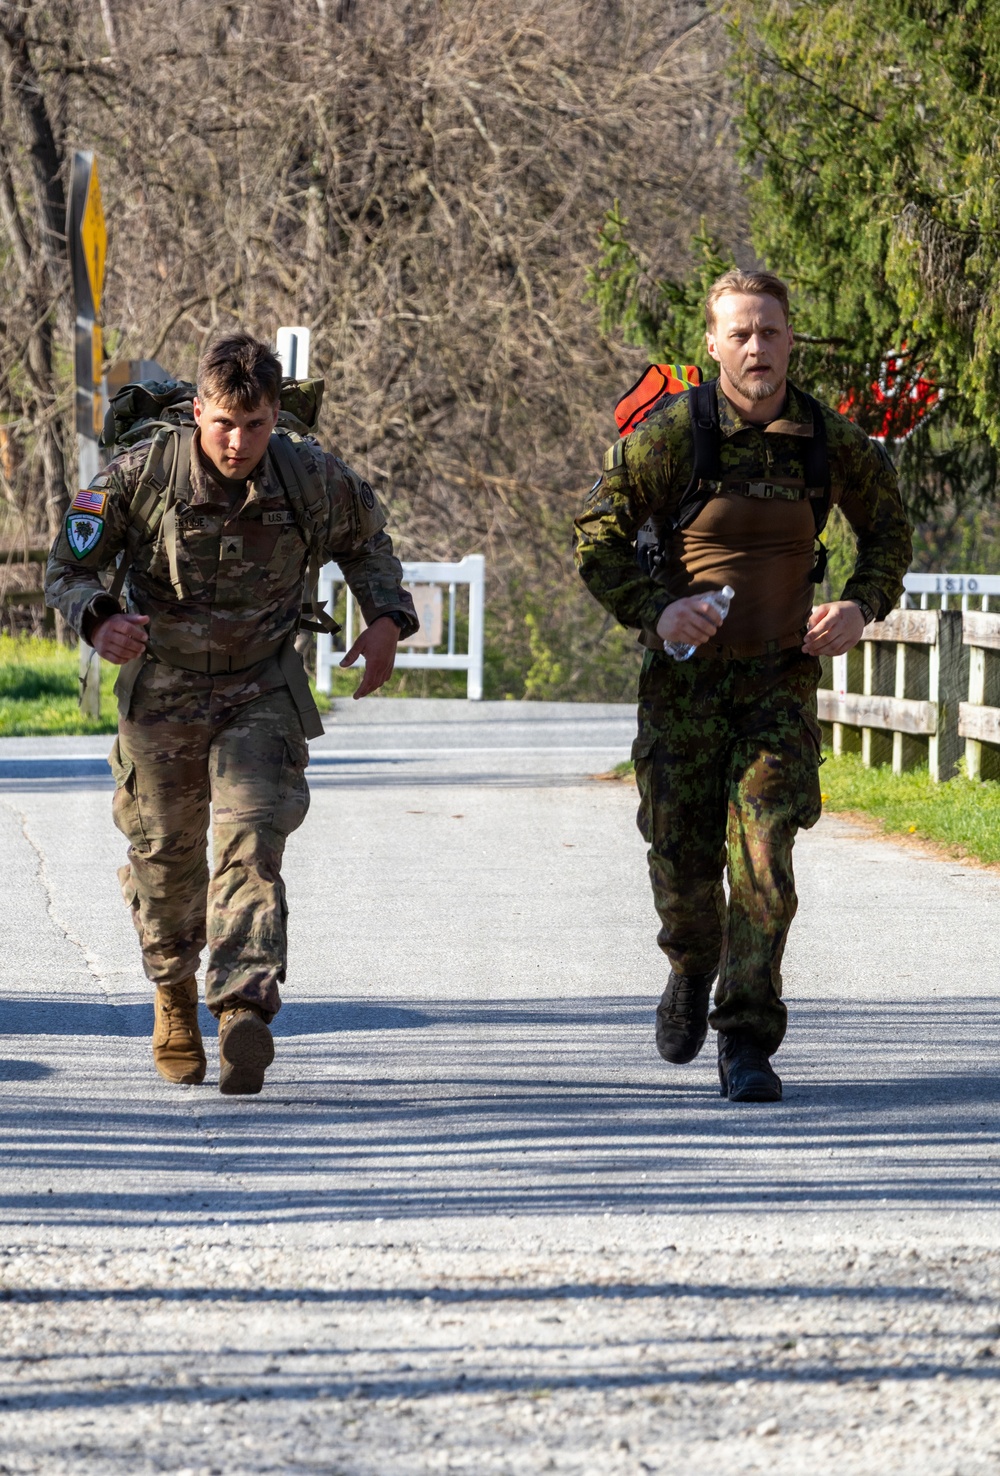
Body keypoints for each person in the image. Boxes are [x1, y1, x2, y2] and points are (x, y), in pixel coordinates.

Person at [46, 333, 417, 1095]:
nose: (238, 442)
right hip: (164, 688)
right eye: (222, 424)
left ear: (275, 416)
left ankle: (243, 1002)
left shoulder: (309, 474)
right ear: (197, 414)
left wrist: (384, 619)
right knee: (166, 856)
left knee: (252, 838)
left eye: (254, 426)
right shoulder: (140, 474)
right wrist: (98, 618)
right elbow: (68, 565)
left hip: (261, 687)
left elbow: (368, 543)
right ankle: (174, 994)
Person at [575, 270, 911, 1102]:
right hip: (685, 692)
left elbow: (890, 532)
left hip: (778, 688)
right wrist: (658, 610)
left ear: (791, 337)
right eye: (740, 334)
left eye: (769, 331)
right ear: (713, 344)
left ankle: (748, 1041)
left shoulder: (829, 443)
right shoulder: (674, 436)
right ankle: (690, 964)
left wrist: (860, 607)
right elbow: (595, 538)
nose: (757, 348)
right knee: (682, 862)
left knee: (764, 854)